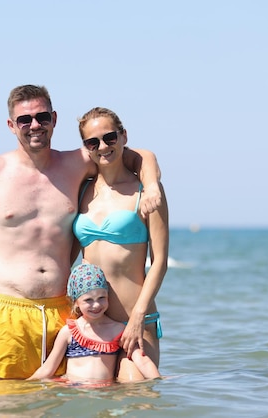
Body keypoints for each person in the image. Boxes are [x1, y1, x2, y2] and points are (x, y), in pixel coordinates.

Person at [0, 84, 163, 380]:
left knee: (66, 403)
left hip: (64, 313)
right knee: (5, 403)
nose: (34, 125)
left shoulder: (78, 163)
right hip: (10, 311)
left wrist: (152, 185)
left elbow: (138, 155)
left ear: (54, 118)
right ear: (12, 125)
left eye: (42, 117)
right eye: (25, 120)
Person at [73, 107, 169, 382]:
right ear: (87, 148)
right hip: (93, 325)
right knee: (93, 406)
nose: (103, 146)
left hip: (133, 322)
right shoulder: (82, 190)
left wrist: (139, 315)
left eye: (110, 137)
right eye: (93, 142)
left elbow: (160, 261)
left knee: (134, 402)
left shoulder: (146, 192)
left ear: (123, 136)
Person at [27, 263, 161, 384]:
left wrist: (160, 381)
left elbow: (142, 361)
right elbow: (48, 369)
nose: (96, 305)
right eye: (88, 300)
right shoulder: (69, 332)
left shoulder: (118, 330)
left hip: (105, 392)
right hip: (74, 391)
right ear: (76, 302)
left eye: (102, 298)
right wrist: (24, 386)